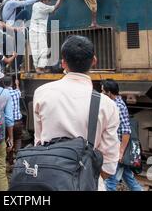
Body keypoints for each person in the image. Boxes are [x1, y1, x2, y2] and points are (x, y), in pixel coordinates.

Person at [33, 36, 120, 189]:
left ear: (63, 63)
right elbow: (109, 166)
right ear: (94, 60)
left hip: (48, 182)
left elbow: (38, 142)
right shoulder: (107, 105)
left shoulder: (41, 93)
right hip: (89, 184)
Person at [102, 80, 144, 192]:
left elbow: (126, 130)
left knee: (110, 183)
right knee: (129, 178)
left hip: (118, 150)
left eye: (103, 91)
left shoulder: (117, 106)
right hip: (119, 150)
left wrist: (120, 153)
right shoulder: (118, 103)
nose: (101, 94)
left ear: (109, 93)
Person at [29, 0, 64, 74]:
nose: (49, 2)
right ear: (44, 0)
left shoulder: (35, 5)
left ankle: (40, 68)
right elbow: (55, 7)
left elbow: (50, 11)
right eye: (48, 1)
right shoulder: (42, 6)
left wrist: (52, 10)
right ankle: (39, 68)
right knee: (43, 49)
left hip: (34, 30)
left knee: (37, 50)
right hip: (38, 31)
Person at [3, 76, 23, 166]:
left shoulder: (2, 94)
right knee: (18, 139)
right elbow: (19, 91)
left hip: (7, 122)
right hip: (18, 121)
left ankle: (10, 161)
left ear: (3, 84)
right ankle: (18, 160)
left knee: (8, 140)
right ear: (11, 83)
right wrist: (17, 84)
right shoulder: (16, 92)